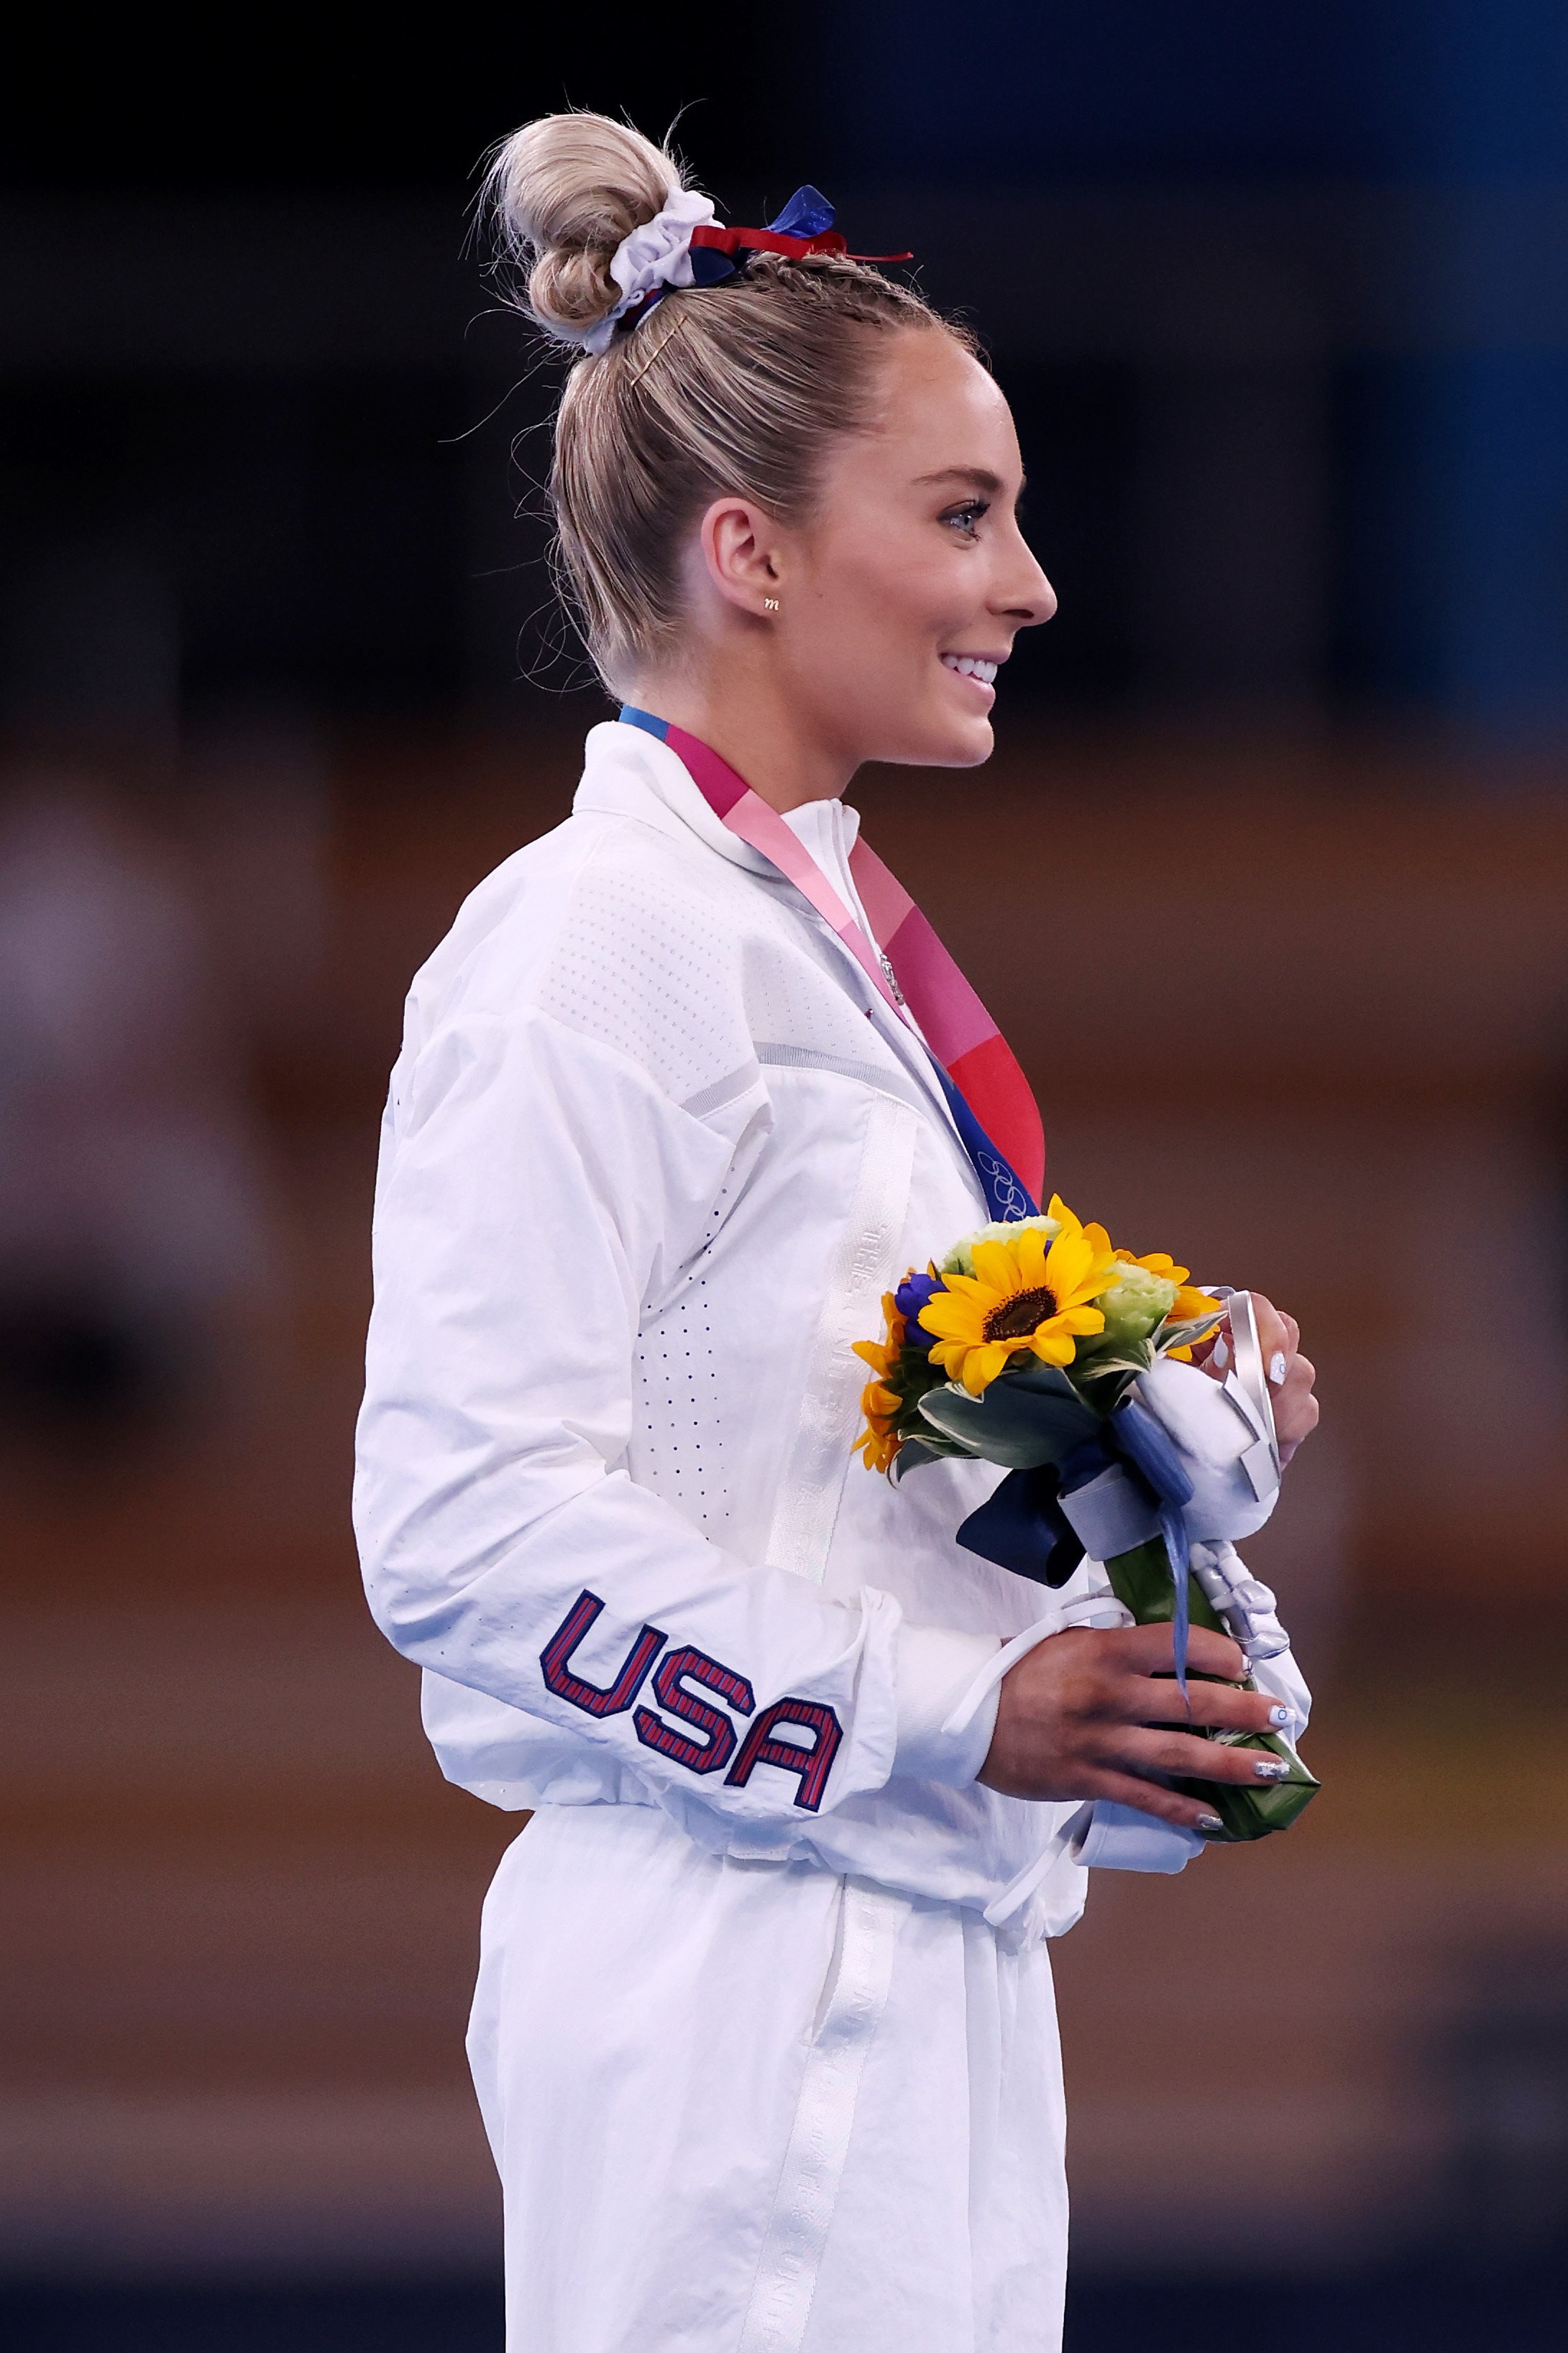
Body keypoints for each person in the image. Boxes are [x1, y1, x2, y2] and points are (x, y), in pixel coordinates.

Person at [353, 111, 1320, 2353]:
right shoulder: (586, 945)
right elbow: (467, 1522)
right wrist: (946, 1712)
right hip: (739, 1967)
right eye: (964, 516)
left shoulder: (824, 962)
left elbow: (866, 1514)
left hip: (930, 1975)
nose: (1030, 585)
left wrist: (1168, 1571)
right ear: (751, 554)